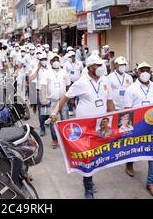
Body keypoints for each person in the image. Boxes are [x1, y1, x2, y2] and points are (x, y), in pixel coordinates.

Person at [51, 54, 115, 199]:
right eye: (98, 65)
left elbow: (110, 102)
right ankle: (88, 188)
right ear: (90, 67)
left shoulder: (105, 81)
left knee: (97, 155)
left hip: (101, 126)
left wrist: (116, 118)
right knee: (87, 157)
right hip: (85, 127)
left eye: (101, 65)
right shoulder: (81, 82)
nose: (101, 68)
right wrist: (55, 112)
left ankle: (90, 181)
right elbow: (65, 98)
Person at [123, 62, 153, 198]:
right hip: (137, 126)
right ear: (137, 72)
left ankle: (151, 182)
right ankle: (129, 164)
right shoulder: (131, 89)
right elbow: (127, 110)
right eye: (142, 70)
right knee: (134, 149)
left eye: (147, 70)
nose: (145, 72)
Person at [43, 54, 69, 148]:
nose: (56, 61)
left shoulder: (64, 72)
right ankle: (55, 139)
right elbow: (44, 86)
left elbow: (67, 84)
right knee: (53, 120)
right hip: (52, 100)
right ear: (50, 62)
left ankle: (66, 139)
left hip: (63, 100)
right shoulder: (47, 72)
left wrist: (68, 97)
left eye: (57, 60)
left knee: (65, 119)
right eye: (54, 60)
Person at [29, 52, 51, 137]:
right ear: (39, 61)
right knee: (41, 112)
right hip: (40, 92)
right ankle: (42, 128)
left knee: (48, 110)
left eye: (45, 59)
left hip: (49, 92)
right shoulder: (37, 69)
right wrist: (38, 69)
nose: (44, 61)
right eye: (42, 60)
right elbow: (31, 78)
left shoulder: (50, 68)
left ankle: (46, 120)